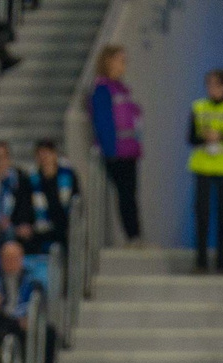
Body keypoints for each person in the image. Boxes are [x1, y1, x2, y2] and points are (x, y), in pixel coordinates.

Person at [186, 68, 223, 274]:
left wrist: (221, 137)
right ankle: (201, 261)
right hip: (203, 167)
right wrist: (206, 138)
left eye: (217, 84)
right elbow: (191, 139)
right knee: (202, 216)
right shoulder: (199, 107)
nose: (212, 89)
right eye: (209, 84)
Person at [88, 44, 142, 242]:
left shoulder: (122, 88)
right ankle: (132, 235)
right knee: (125, 195)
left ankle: (136, 234)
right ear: (109, 61)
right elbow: (103, 122)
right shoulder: (102, 89)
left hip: (129, 150)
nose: (124, 65)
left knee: (131, 194)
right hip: (117, 152)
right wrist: (110, 151)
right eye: (121, 60)